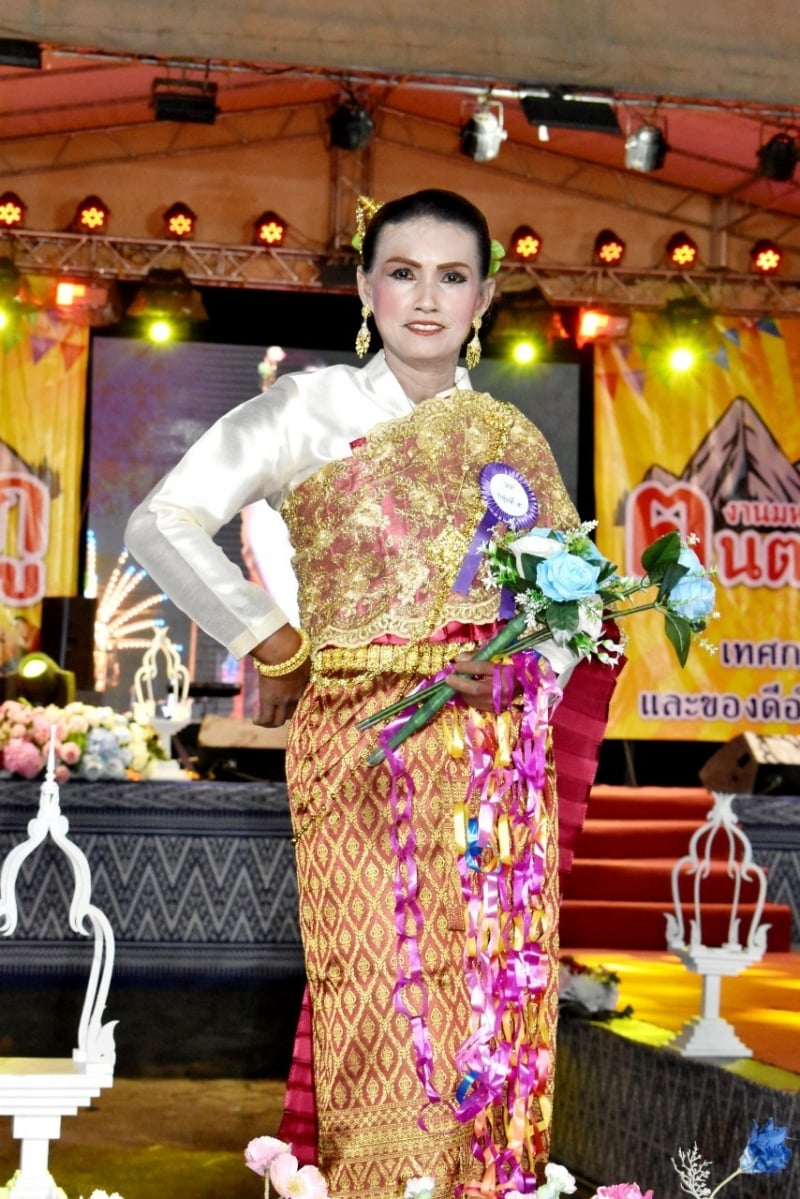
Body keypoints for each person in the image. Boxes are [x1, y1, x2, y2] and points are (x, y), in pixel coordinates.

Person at [125, 189, 620, 1199]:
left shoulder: (510, 438)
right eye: (402, 272)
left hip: (488, 767)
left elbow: (577, 610)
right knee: (379, 989)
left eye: (451, 276)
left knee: (487, 996)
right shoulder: (302, 411)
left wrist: (517, 667)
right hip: (362, 746)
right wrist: (272, 638)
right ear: (364, 286)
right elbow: (159, 523)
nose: (425, 298)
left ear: (482, 297)